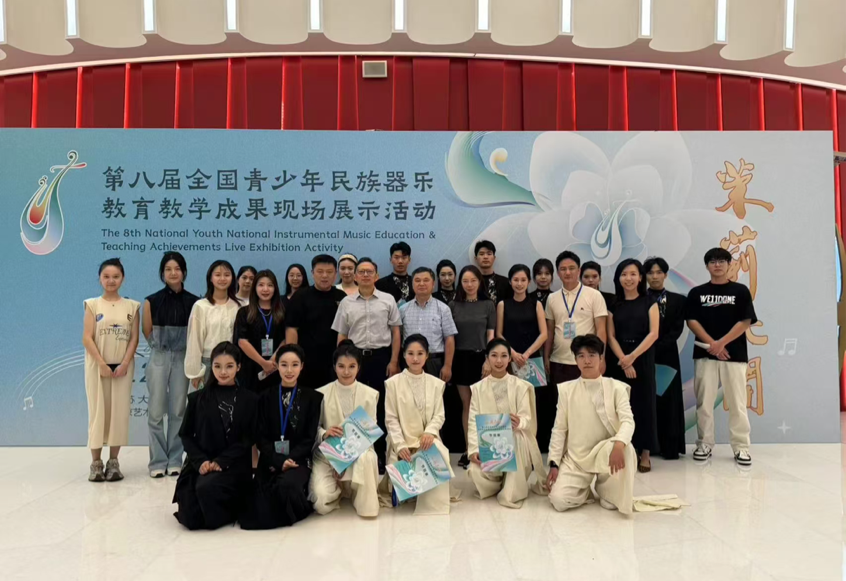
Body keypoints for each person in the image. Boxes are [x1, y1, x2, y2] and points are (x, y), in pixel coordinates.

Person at [546, 334, 636, 515]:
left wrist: (619, 444)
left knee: (626, 448)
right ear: (575, 360)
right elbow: (559, 429)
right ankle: (584, 490)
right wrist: (554, 464)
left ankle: (606, 489)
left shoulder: (616, 388)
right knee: (559, 501)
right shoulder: (566, 390)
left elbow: (628, 420)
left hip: (606, 452)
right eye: (581, 356)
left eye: (592, 355)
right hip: (576, 458)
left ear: (601, 358)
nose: (587, 361)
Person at [172, 342, 257, 530]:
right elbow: (186, 435)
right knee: (190, 517)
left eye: (229, 366)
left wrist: (222, 461)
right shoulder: (197, 398)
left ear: (238, 367)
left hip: (233, 465)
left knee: (206, 488)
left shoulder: (250, 399)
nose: (223, 372)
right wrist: (201, 461)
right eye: (217, 366)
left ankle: (232, 510)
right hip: (201, 464)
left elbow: (249, 437)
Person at [685, 248, 757, 466]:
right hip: (705, 354)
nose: (717, 265)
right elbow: (692, 321)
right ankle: (704, 444)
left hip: (734, 355)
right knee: (704, 402)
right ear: (707, 266)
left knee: (737, 402)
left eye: (721, 261)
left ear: (729, 264)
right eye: (713, 261)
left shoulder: (740, 291)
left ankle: (741, 447)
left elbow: (745, 321)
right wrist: (712, 344)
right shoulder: (697, 293)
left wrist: (721, 343)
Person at [240, 345, 323, 529]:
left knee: (287, 486)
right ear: (277, 366)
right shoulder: (264, 398)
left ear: (302, 366)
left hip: (298, 460)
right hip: (271, 458)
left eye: (294, 365)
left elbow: (309, 438)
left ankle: (293, 509)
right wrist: (278, 460)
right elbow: (260, 437)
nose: (289, 370)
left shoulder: (312, 398)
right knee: (255, 497)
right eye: (284, 365)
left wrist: (289, 459)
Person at [332, 257, 402, 471]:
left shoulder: (388, 300)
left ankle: (379, 455)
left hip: (382, 358)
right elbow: (342, 335)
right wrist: (341, 364)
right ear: (355, 276)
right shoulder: (346, 302)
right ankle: (356, 454)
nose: (365, 275)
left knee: (381, 406)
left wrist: (394, 361)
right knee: (357, 406)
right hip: (355, 359)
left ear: (376, 276)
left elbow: (396, 332)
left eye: (369, 271)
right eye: (361, 272)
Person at [467, 338, 547, 508]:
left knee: (516, 437)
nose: (499, 360)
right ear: (487, 358)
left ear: (510, 358)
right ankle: (498, 483)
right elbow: (473, 422)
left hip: (517, 446)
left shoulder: (521, 386)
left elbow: (527, 419)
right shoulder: (478, 388)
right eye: (494, 355)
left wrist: (519, 422)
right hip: (490, 446)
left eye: (504, 356)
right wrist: (473, 450)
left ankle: (510, 488)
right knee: (474, 470)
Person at [381, 335, 455, 515]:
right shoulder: (392, 384)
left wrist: (430, 432)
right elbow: (391, 419)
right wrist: (400, 444)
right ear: (404, 355)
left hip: (426, 439)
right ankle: (408, 490)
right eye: (410, 353)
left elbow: (439, 415)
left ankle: (431, 506)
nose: (415, 358)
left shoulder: (436, 384)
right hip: (402, 440)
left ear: (427, 355)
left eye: (420, 353)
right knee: (405, 455)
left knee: (438, 449)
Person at [82, 258, 140, 482]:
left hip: (123, 368)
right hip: (97, 368)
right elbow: (87, 337)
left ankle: (113, 463)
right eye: (106, 276)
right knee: (98, 413)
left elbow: (134, 338)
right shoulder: (92, 304)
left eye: (115, 276)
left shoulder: (132, 306)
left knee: (119, 413)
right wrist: (101, 363)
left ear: (122, 278)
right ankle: (96, 464)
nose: (111, 280)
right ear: (99, 279)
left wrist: (124, 363)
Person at [142, 251, 199, 478]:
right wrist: (160, 348)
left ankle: (175, 459)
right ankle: (157, 461)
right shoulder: (151, 301)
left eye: (177, 269)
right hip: (159, 356)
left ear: (184, 272)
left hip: (183, 357)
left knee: (178, 410)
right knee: (156, 410)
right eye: (168, 269)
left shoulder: (194, 302)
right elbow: (147, 330)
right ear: (162, 273)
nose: (173, 273)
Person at [309, 340, 380, 518]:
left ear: (358, 367)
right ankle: (341, 489)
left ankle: (363, 503)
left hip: (359, 453)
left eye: (351, 366)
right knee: (321, 501)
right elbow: (312, 428)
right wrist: (324, 433)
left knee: (367, 457)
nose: (346, 372)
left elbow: (368, 434)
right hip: (327, 455)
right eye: (341, 366)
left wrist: (343, 461)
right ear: (334, 367)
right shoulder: (320, 394)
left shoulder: (370, 395)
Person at [606, 259, 660, 473]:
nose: (628, 278)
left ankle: (645, 452)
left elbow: (653, 334)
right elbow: (610, 335)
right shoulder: (614, 304)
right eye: (624, 274)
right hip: (618, 359)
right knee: (621, 406)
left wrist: (632, 357)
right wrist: (623, 359)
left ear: (640, 278)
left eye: (632, 274)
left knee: (645, 405)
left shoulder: (650, 302)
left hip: (642, 358)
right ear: (618, 278)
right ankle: (626, 448)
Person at [450, 265, 497, 469]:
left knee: (484, 405)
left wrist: (489, 359)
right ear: (460, 283)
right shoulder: (453, 305)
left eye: (473, 280)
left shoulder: (488, 304)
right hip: (460, 359)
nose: (469, 285)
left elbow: (491, 335)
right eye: (465, 281)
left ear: (480, 282)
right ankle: (469, 450)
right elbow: (450, 337)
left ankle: (486, 449)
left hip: (482, 358)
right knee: (467, 405)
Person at [644, 256, 687, 460]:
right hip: (643, 356)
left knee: (668, 400)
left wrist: (658, 346)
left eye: (659, 272)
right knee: (646, 400)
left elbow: (677, 329)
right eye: (650, 272)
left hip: (668, 356)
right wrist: (647, 349)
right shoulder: (639, 299)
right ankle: (647, 446)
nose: (655, 276)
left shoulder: (678, 300)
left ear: (666, 275)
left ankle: (669, 446)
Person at [544, 251, 608, 386]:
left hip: (587, 361)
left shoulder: (594, 295)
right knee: (560, 399)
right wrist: (546, 357)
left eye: (571, 268)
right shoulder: (552, 298)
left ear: (579, 271)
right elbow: (549, 331)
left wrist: (601, 358)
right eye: (563, 269)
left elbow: (601, 330)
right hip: (558, 361)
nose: (567, 272)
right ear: (558, 273)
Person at [286, 255, 348, 389]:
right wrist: (293, 358)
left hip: (334, 362)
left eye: (329, 272)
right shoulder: (300, 296)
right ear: (312, 273)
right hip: (307, 362)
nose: (324, 276)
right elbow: (292, 329)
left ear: (335, 274)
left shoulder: (342, 297)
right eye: (320, 271)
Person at [185, 260, 241, 388]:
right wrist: (195, 372)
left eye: (227, 275)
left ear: (232, 278)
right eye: (218, 275)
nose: (222, 279)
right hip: (208, 363)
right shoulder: (201, 306)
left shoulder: (238, 307)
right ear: (210, 278)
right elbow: (194, 341)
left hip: (232, 363)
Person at [399, 266, 457, 381]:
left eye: (426, 280)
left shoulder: (443, 309)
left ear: (433, 284)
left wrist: (447, 366)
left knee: (435, 392)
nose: (421, 284)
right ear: (412, 284)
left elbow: (449, 339)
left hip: (434, 361)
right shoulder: (403, 309)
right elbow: (398, 337)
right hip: (409, 361)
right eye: (417, 280)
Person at [234, 269, 286, 393]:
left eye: (270, 285)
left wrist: (272, 361)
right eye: (261, 285)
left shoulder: (282, 312)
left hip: (275, 367)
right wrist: (263, 363)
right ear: (255, 288)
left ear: (275, 288)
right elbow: (242, 341)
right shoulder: (244, 312)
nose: (265, 289)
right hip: (250, 369)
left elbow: (285, 339)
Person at [497, 264, 548, 368]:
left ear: (529, 282)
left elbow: (544, 334)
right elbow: (499, 334)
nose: (519, 284)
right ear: (510, 281)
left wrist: (526, 354)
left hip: (532, 358)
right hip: (509, 358)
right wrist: (513, 354)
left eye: (523, 280)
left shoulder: (537, 304)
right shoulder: (502, 305)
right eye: (516, 280)